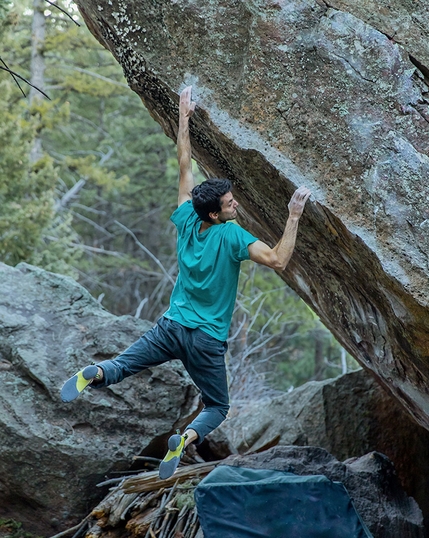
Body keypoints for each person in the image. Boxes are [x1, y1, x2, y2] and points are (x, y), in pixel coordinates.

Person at [61, 86, 311, 480]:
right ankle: (186, 437)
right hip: (206, 340)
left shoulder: (187, 219)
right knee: (218, 407)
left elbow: (183, 165)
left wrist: (184, 115)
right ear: (213, 214)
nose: (236, 204)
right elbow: (279, 259)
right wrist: (294, 214)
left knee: (123, 366)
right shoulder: (233, 237)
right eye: (230, 204)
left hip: (171, 327)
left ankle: (96, 372)